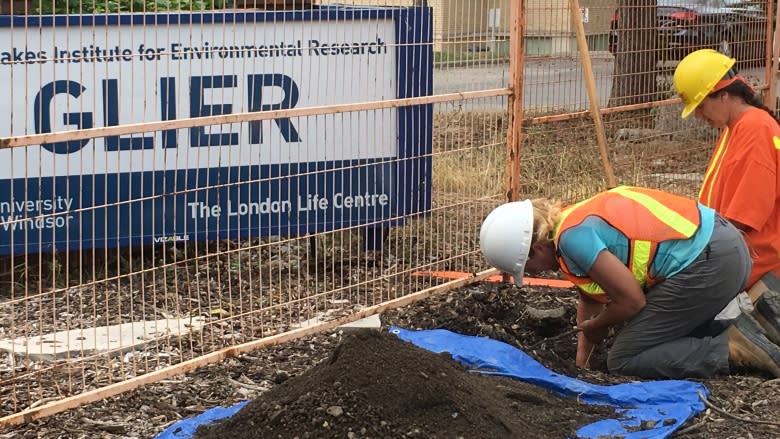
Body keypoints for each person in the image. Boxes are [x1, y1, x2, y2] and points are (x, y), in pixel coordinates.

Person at [479, 186, 780, 379]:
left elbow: (632, 302)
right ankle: (757, 314)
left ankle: (730, 346)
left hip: (711, 265)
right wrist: (581, 364)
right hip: (724, 250)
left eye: (527, 266)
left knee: (625, 358)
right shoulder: (571, 221)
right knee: (653, 332)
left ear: (534, 248)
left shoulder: (572, 239)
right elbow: (590, 298)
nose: (535, 273)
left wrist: (598, 326)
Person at [673, 49, 780, 343]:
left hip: (752, 261)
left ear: (723, 95)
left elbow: (741, 219)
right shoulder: (738, 127)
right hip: (736, 254)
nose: (698, 115)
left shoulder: (755, 130)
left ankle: (737, 340)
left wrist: (694, 259)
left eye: (700, 105)